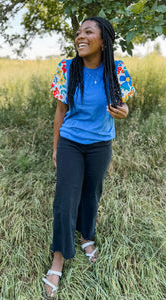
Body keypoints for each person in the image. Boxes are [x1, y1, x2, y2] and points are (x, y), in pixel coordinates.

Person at [42, 16, 135, 298]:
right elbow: (60, 111)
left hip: (100, 145)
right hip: (71, 141)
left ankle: (86, 237)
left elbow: (123, 105)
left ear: (103, 40)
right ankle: (59, 258)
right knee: (65, 199)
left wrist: (125, 112)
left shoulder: (116, 70)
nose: (80, 36)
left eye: (88, 32)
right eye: (78, 32)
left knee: (92, 194)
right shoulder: (67, 68)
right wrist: (57, 148)